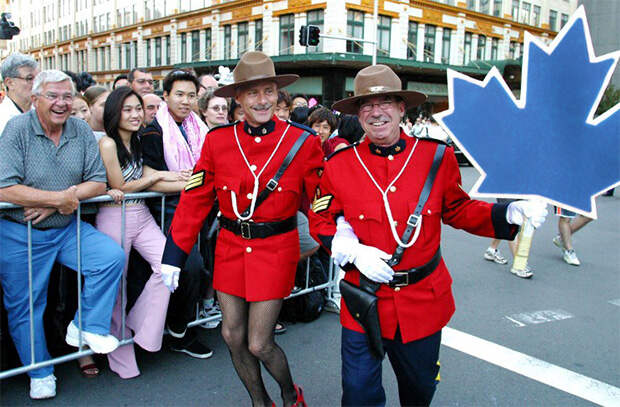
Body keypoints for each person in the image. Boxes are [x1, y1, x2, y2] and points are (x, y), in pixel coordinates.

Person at [308, 64, 547, 406]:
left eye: (386, 102)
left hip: (421, 300)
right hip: (364, 298)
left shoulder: (436, 156)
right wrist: (352, 250)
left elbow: (458, 210)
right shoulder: (340, 164)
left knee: (419, 390)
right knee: (359, 393)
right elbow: (321, 219)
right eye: (366, 105)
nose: (376, 112)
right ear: (358, 114)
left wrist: (505, 213)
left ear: (402, 108)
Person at [160, 51, 322, 407]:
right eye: (252, 93)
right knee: (232, 335)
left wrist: (339, 238)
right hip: (231, 246)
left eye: (268, 91)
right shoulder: (218, 141)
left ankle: (289, 394)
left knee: (259, 342)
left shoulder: (302, 141)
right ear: (238, 98)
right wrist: (174, 253)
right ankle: (260, 402)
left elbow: (319, 200)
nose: (262, 100)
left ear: (278, 96)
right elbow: (195, 198)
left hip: (276, 248)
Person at [0, 70, 124, 399]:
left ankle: (87, 325)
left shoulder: (81, 129)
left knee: (110, 257)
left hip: (66, 228)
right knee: (27, 306)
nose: (61, 103)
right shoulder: (16, 129)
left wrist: (57, 205)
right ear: (35, 99)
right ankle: (39, 372)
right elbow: (5, 187)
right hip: (19, 234)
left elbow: (98, 182)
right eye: (53, 96)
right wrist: (58, 199)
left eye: (67, 96)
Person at [96, 87, 179, 378]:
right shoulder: (107, 143)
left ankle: (137, 323)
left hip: (141, 215)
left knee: (168, 267)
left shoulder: (139, 140)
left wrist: (180, 175)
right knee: (116, 290)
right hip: (114, 218)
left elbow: (144, 175)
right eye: (127, 109)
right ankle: (121, 359)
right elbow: (122, 185)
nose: (134, 115)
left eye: (138, 109)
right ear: (114, 113)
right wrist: (158, 176)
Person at [139, 70, 213, 359]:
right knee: (189, 266)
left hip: (202, 206)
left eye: (191, 95)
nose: (185, 101)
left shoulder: (200, 128)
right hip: (167, 210)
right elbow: (151, 178)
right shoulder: (153, 132)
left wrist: (196, 183)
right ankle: (179, 329)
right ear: (165, 96)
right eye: (179, 94)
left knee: (203, 266)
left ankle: (181, 325)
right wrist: (190, 182)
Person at [0, 53, 39, 135]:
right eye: (30, 78)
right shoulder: (3, 119)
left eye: (38, 78)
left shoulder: (42, 112)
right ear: (10, 83)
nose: (37, 83)